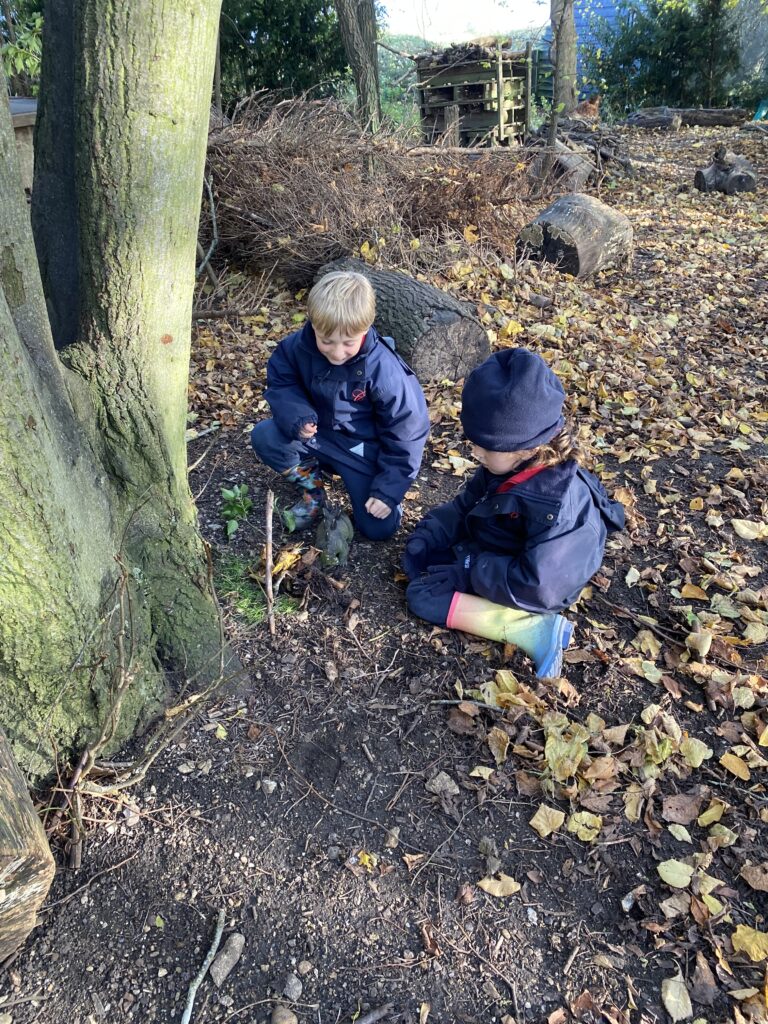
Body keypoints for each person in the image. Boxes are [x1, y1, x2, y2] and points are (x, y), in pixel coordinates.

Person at [402, 348, 624, 678]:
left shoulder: (558, 506)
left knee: (422, 597)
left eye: (484, 446)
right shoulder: (506, 464)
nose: (474, 452)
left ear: (527, 446)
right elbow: (468, 505)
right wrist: (433, 531)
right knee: (419, 561)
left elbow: (540, 585)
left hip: (531, 579)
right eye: (474, 441)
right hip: (500, 554)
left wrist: (470, 569)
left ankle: (533, 630)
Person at [251, 271, 430, 540]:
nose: (336, 352)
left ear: (366, 328)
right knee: (266, 437)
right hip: (318, 437)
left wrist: (388, 491)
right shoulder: (295, 348)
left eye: (348, 342)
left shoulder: (384, 370)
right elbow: (282, 384)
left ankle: (384, 498)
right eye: (326, 341)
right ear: (313, 325)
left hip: (360, 450)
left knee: (378, 528)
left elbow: (408, 431)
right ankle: (312, 488)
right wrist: (298, 417)